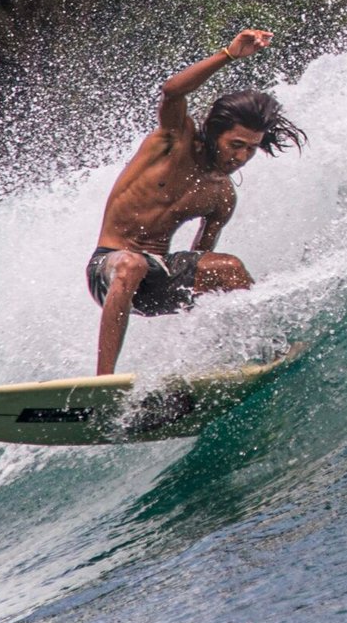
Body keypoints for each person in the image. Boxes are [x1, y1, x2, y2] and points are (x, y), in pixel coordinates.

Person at [87, 29, 306, 375]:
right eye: (235, 144)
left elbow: (200, 270)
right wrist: (228, 55)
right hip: (110, 271)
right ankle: (103, 381)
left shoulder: (221, 195)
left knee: (229, 268)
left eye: (251, 148)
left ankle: (266, 355)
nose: (242, 156)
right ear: (214, 132)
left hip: (157, 279)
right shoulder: (175, 140)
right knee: (132, 263)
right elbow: (172, 90)